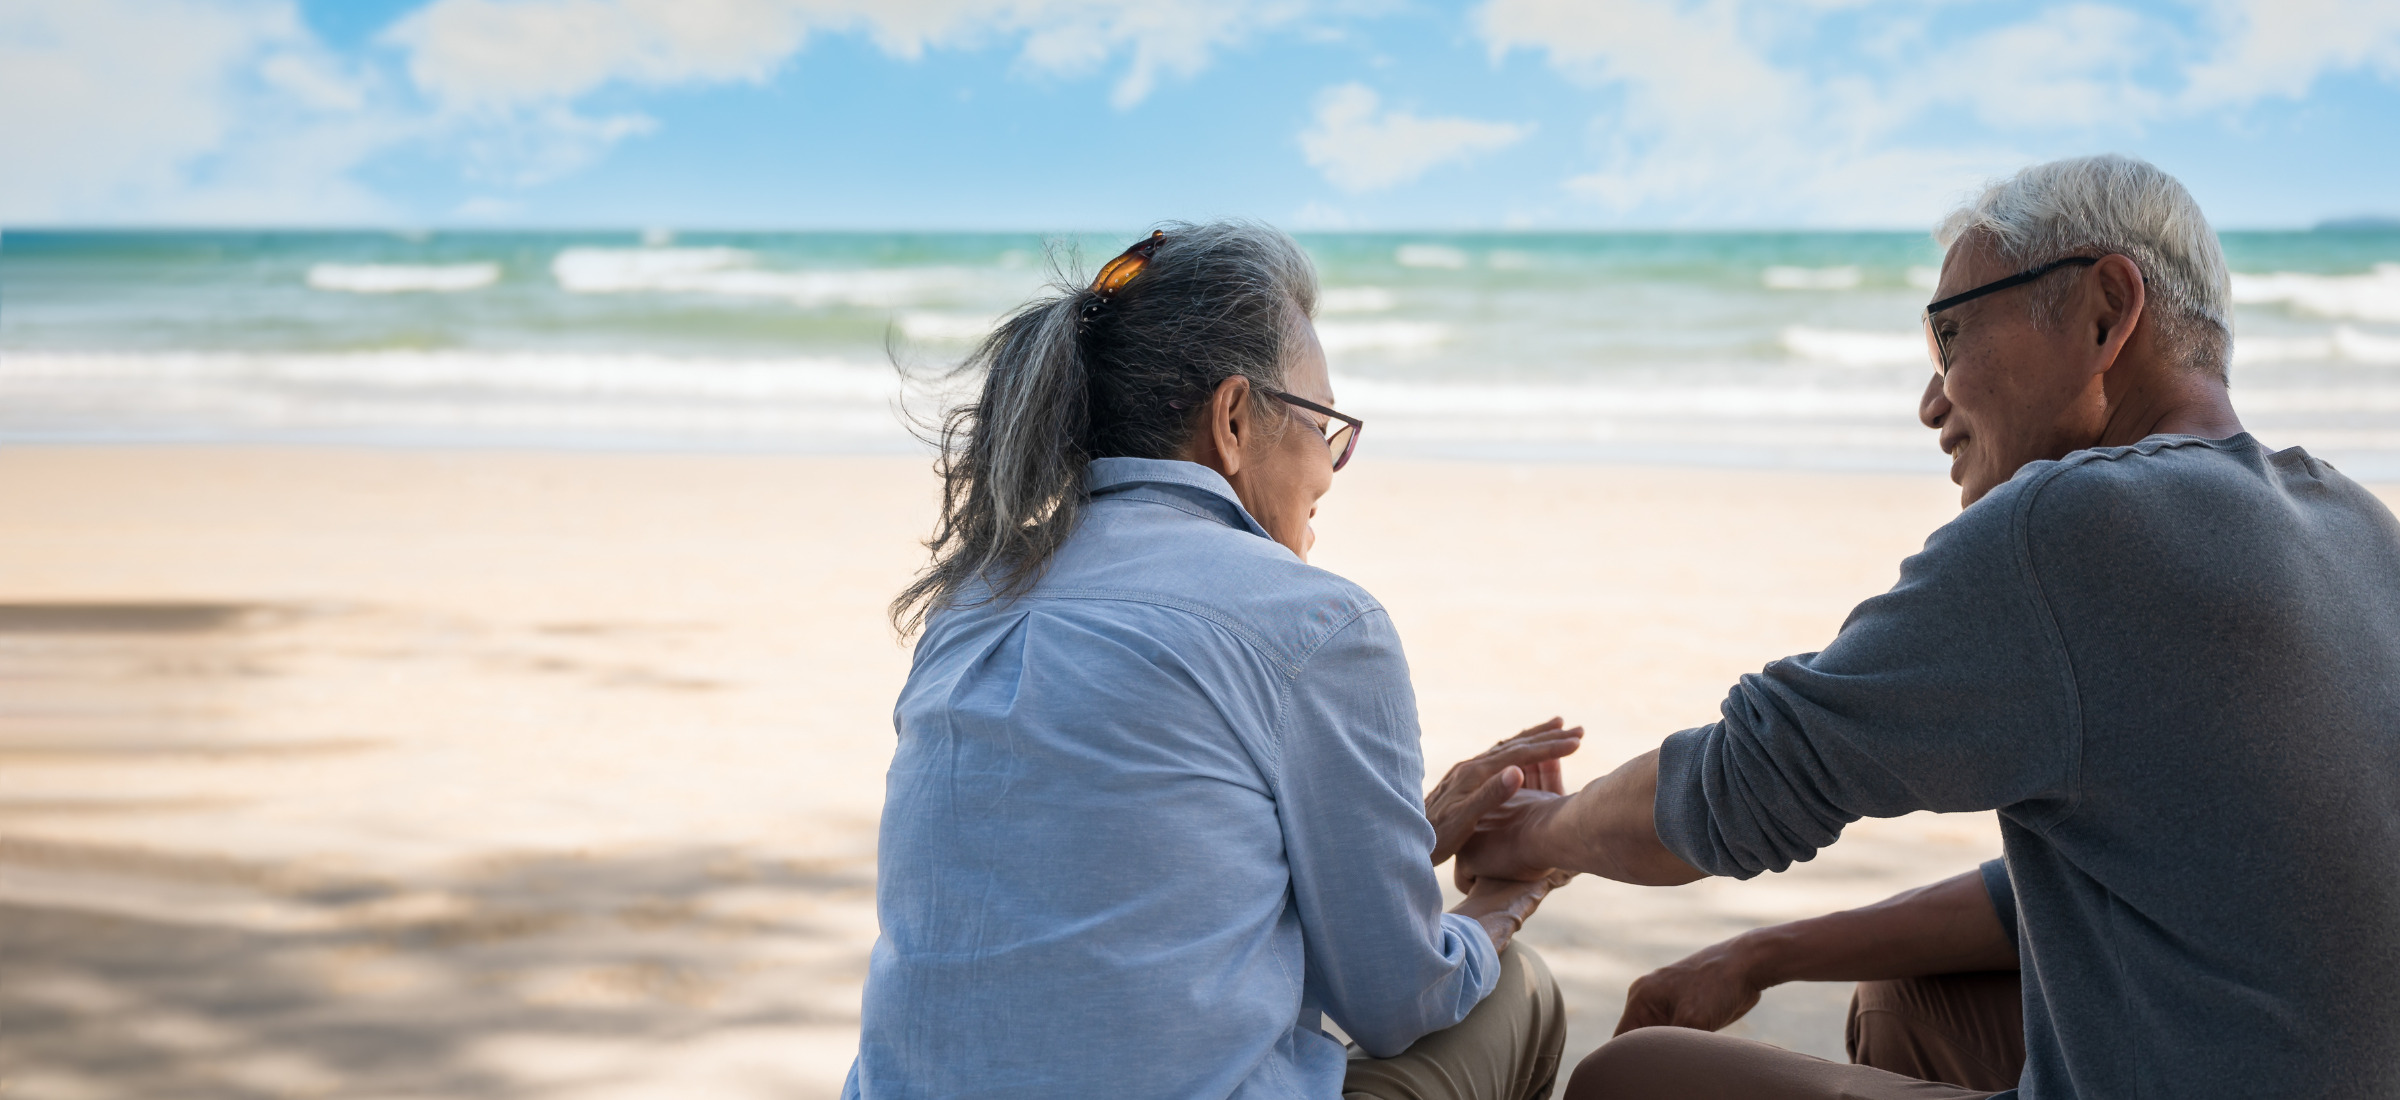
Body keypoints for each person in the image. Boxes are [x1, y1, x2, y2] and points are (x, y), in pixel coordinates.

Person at [1460, 154, 2400, 1099]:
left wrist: (1533, 835)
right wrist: (1762, 955)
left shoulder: (2074, 526)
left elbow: (1736, 790)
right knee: (1907, 1000)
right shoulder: (2354, 524)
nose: (1931, 403)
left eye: (1949, 337)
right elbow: (2104, 882)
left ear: (2107, 312)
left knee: (1633, 1080)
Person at [846, 221, 1580, 1100]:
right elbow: (1396, 1001)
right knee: (1521, 992)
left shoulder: (971, 600)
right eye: (1326, 428)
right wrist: (1507, 894)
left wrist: (1404, 841)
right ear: (1233, 420)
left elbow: (1119, 898)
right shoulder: (1314, 621)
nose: (1332, 471)